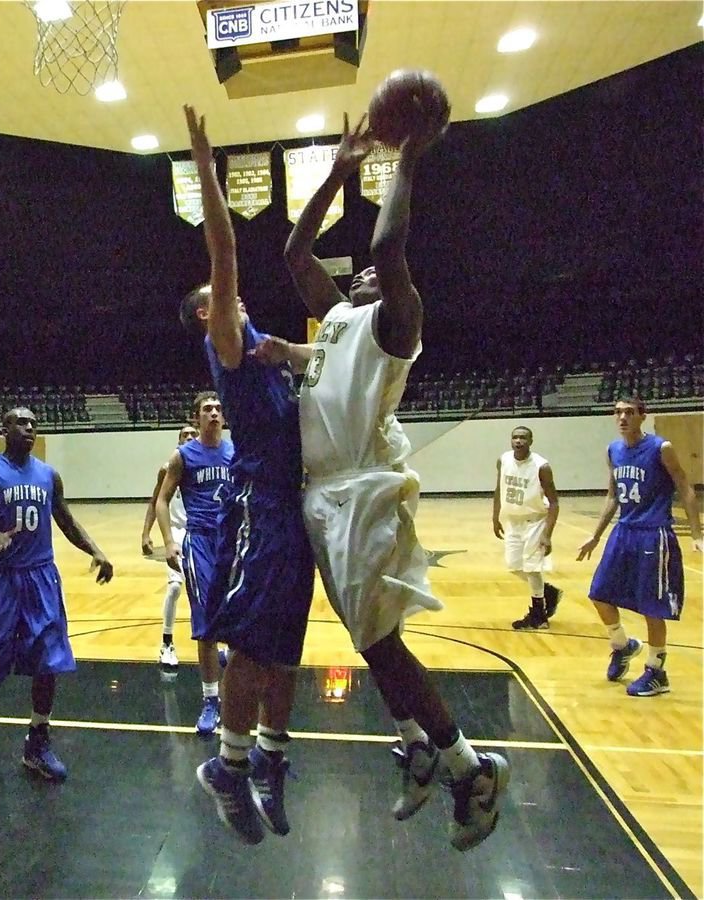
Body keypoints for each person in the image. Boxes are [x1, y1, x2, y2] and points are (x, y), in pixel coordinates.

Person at [265, 111, 507, 851]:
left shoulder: (396, 322)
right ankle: (422, 745)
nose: (365, 269)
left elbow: (385, 243)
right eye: (363, 273)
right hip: (322, 494)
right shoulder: (337, 317)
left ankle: (469, 767)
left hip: (361, 489)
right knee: (371, 641)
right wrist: (338, 169)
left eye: (379, 271)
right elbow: (295, 250)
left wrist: (403, 157)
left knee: (381, 643)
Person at [179, 106, 316, 845]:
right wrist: (205, 165)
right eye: (216, 299)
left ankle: (269, 758)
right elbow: (225, 248)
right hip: (261, 505)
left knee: (288, 650)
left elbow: (316, 360)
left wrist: (293, 354)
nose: (229, 295)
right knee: (253, 646)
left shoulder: (267, 347)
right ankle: (227, 767)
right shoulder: (228, 347)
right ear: (209, 319)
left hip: (295, 508)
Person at [0, 407, 113, 782]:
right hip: (2, 576)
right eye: (21, 423)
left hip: (41, 576)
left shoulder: (48, 476)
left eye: (33, 424)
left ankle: (38, 741)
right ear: (5, 429)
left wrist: (96, 550)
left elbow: (66, 519)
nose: (29, 428)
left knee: (47, 659)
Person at [576, 396, 702, 696]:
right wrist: (595, 535)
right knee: (599, 594)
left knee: (651, 607)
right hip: (624, 530)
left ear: (642, 416)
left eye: (629, 413)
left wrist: (696, 533)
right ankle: (622, 645)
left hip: (653, 533)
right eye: (618, 412)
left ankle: (657, 671)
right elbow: (612, 495)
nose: (622, 418)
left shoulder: (661, 448)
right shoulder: (614, 449)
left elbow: (685, 486)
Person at [154, 395, 233, 733]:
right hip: (200, 541)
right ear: (197, 418)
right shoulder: (183, 456)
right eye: (207, 410)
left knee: (239, 615)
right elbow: (161, 500)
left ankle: (238, 693)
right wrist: (169, 541)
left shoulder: (236, 451)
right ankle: (210, 701)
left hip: (233, 540)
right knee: (206, 620)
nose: (213, 413)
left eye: (217, 408)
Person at [140, 422, 199, 673]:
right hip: (176, 532)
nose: (188, 437)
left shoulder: (208, 464)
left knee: (210, 589)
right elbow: (157, 501)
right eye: (183, 435)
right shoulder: (168, 469)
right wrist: (146, 533)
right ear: (177, 441)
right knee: (175, 587)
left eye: (192, 434)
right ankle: (167, 642)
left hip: (202, 532)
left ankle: (217, 642)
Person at [492, 426, 563, 630]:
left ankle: (538, 615)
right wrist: (495, 516)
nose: (518, 441)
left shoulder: (541, 466)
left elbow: (555, 503)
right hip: (512, 521)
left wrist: (547, 535)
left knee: (532, 569)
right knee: (514, 566)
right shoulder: (503, 460)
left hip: (535, 521)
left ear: (531, 441)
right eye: (515, 437)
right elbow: (499, 489)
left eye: (523, 438)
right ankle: (548, 592)